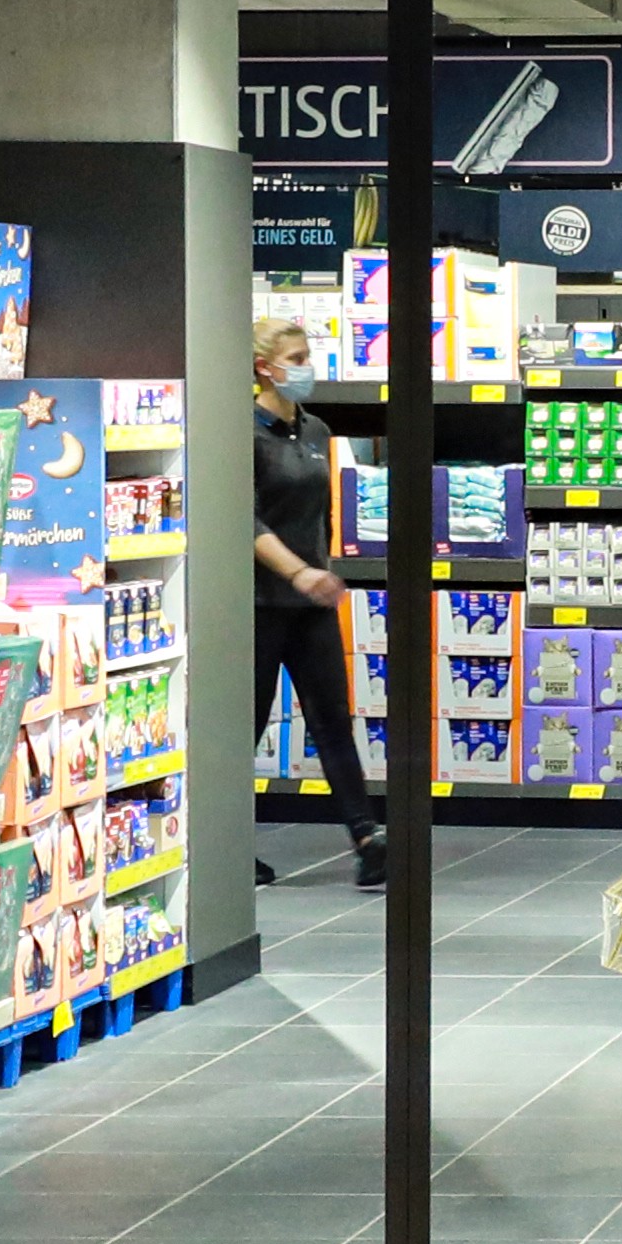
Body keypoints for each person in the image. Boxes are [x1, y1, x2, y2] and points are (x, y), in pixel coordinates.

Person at [242, 313, 386, 891]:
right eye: (297, 359)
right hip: (258, 602)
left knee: (332, 721)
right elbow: (243, 519)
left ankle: (366, 837)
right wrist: (298, 572)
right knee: (244, 726)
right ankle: (228, 844)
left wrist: (319, 574)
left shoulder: (318, 431)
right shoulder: (242, 433)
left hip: (311, 605)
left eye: (307, 357)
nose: (307, 368)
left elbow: (318, 516)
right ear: (265, 368)